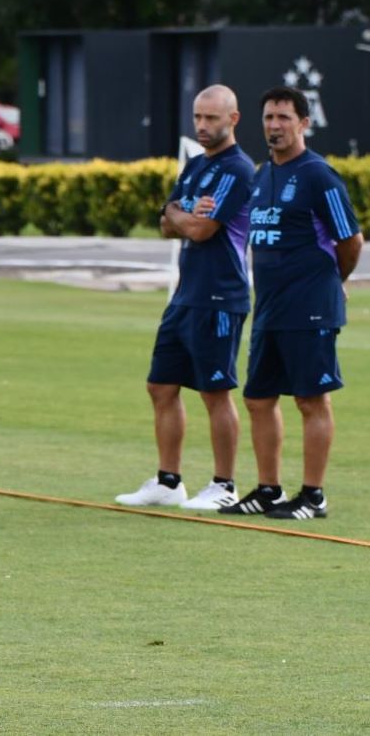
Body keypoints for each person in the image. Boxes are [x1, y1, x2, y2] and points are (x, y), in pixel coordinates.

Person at [219, 86, 363, 520]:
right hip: (270, 308)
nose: (275, 125)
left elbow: (351, 240)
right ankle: (269, 490)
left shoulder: (319, 175)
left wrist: (333, 280)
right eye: (269, 117)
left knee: (310, 400)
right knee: (259, 398)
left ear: (303, 123)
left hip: (310, 306)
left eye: (284, 117)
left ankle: (314, 496)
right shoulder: (262, 175)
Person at [116, 84, 255, 511]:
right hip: (185, 295)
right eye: (198, 117)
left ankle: (224, 485)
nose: (202, 125)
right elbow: (166, 224)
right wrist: (180, 213)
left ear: (233, 119)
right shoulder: (195, 166)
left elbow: (202, 229)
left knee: (215, 391)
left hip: (220, 295)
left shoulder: (238, 169)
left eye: (211, 118)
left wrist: (180, 215)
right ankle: (168, 481)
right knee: (160, 385)